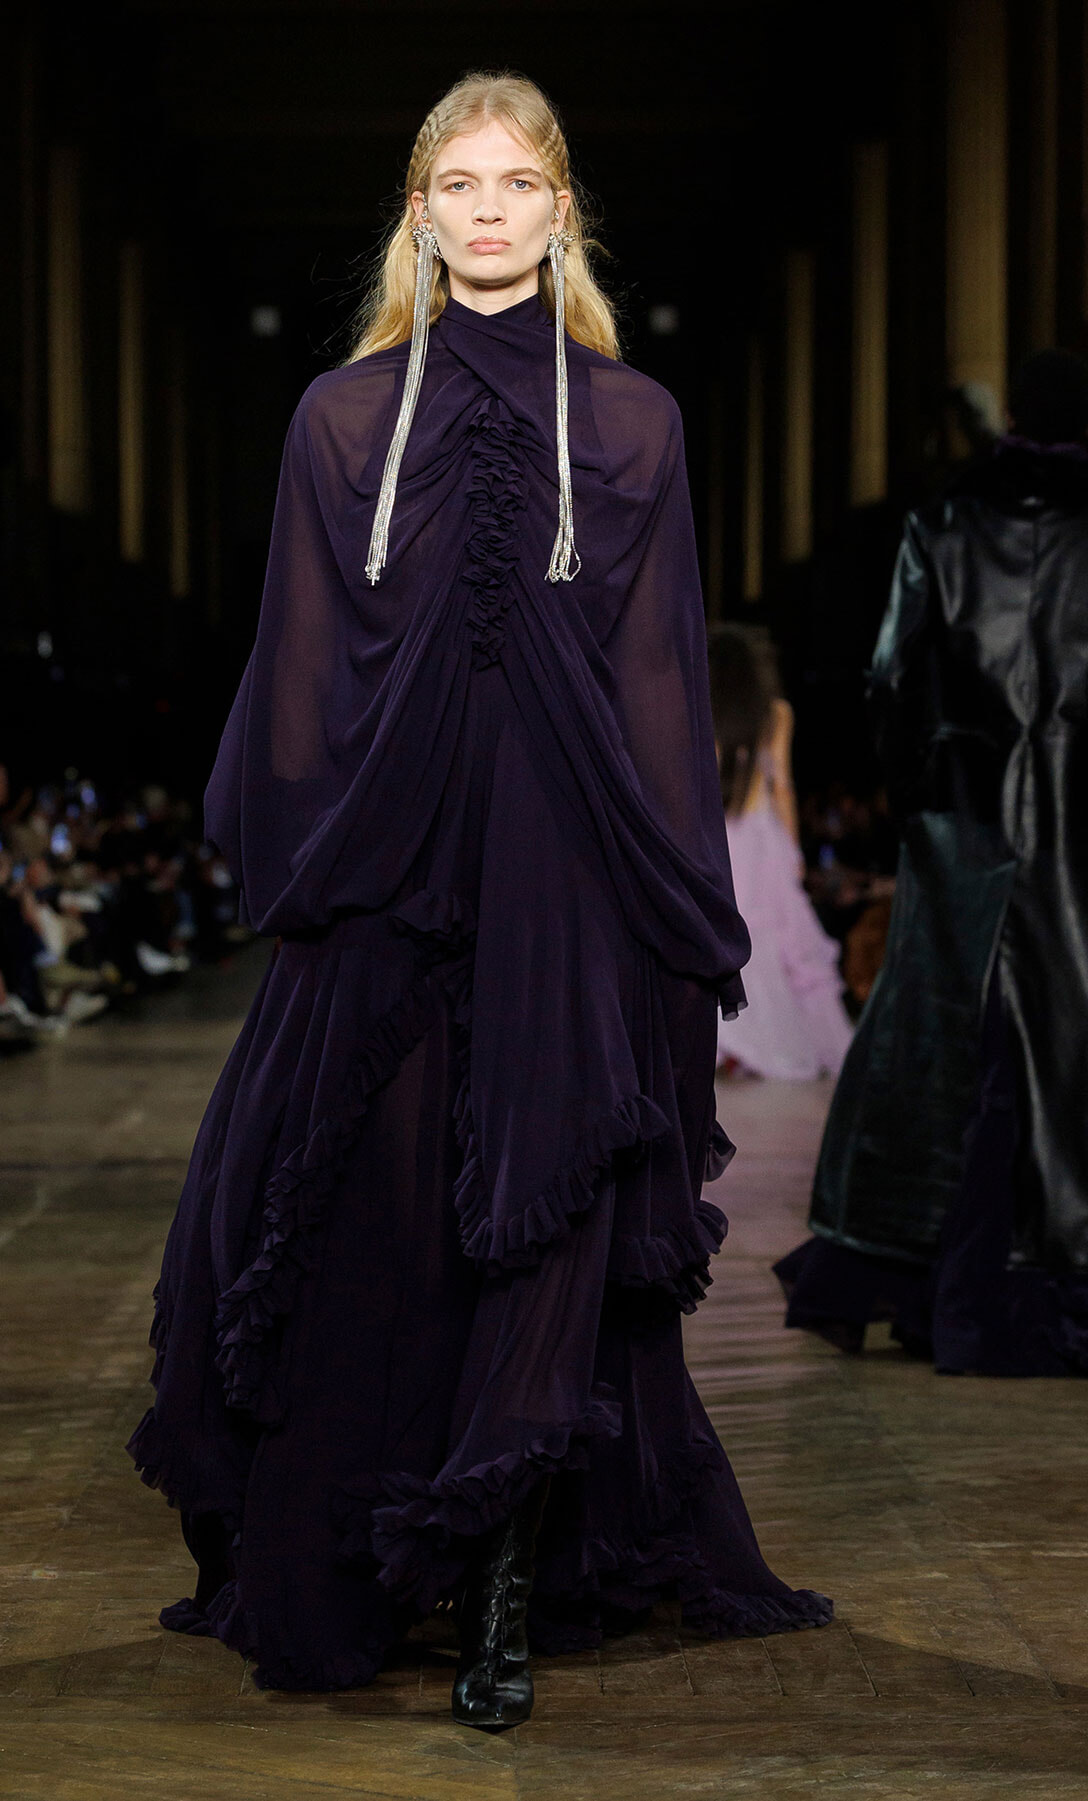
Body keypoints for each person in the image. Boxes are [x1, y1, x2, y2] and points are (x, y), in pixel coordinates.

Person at [128, 71, 831, 1731]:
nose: (493, 208)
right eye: (461, 183)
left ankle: (508, 1588)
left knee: (541, 1231)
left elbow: (663, 685)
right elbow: (297, 676)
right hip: (391, 883)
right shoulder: (341, 422)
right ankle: (387, 1558)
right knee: (373, 1223)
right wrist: (307, 893)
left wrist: (678, 928)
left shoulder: (638, 422)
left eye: (521, 182)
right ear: (422, 212)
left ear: (562, 209)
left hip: (569, 895)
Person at [776, 348, 1088, 1377]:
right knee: (1057, 1053)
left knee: (944, 1057)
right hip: (1074, 838)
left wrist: (923, 797)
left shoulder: (946, 529)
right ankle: (1046, 1272)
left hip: (964, 830)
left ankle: (928, 1272)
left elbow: (891, 683)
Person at [709, 625, 852, 1081]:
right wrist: (792, 852)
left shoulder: (701, 707)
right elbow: (782, 787)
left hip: (718, 836)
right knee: (776, 946)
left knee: (719, 937)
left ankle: (723, 1043)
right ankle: (766, 1045)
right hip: (762, 839)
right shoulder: (775, 714)